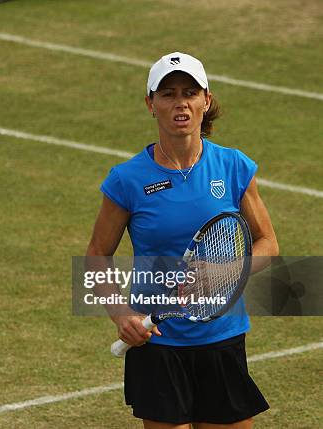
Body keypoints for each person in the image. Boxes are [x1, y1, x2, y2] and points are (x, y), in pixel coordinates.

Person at [86, 52, 278, 428]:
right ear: (150, 104)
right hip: (157, 347)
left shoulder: (234, 166)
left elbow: (268, 243)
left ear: (206, 101)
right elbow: (96, 255)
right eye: (168, 93)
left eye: (190, 92)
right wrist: (121, 315)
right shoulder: (126, 180)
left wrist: (225, 272)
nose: (180, 103)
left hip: (221, 339)